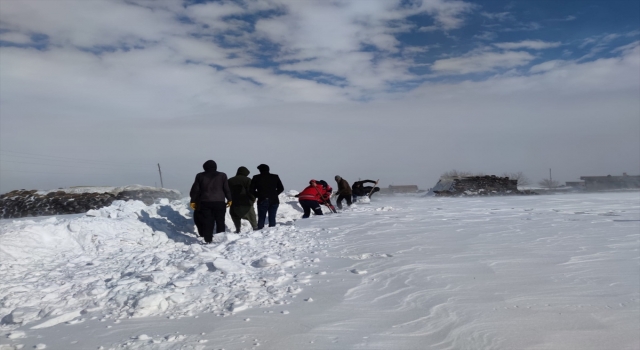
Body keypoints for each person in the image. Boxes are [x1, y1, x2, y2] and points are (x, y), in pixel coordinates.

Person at [190, 160, 232, 244]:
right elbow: (226, 189)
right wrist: (230, 199)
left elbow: (195, 190)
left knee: (207, 221)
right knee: (220, 221)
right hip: (220, 202)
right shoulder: (222, 175)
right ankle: (220, 239)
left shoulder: (200, 176)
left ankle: (208, 239)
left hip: (205, 202)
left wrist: (193, 201)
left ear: (204, 167)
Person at [250, 164, 284, 229]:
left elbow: (251, 190)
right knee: (272, 217)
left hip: (262, 199)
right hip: (274, 200)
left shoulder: (256, 177)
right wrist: (274, 194)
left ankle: (260, 231)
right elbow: (281, 188)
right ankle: (271, 232)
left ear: (260, 170)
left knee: (261, 217)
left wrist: (258, 195)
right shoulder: (275, 177)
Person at [228, 166, 258, 233]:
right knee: (251, 216)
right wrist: (253, 199)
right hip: (246, 203)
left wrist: (229, 199)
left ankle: (238, 229)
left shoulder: (230, 180)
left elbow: (227, 191)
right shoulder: (248, 180)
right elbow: (251, 191)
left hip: (234, 203)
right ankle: (255, 228)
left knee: (235, 216)